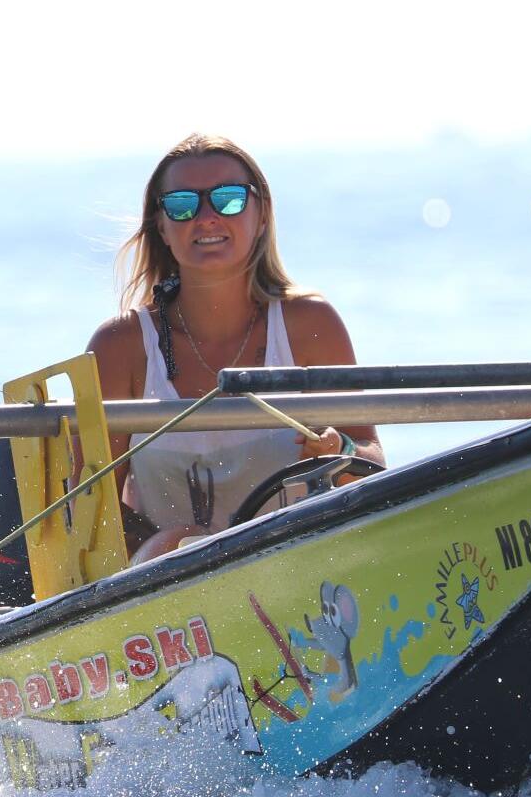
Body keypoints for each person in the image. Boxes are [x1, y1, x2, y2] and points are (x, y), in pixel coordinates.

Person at [87, 134, 384, 565]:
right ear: (162, 225)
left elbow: (372, 460)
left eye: (228, 199)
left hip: (302, 577)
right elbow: (89, 509)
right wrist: (170, 547)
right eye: (183, 204)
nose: (206, 217)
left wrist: (342, 452)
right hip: (166, 595)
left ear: (261, 214)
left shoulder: (311, 326)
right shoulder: (120, 347)